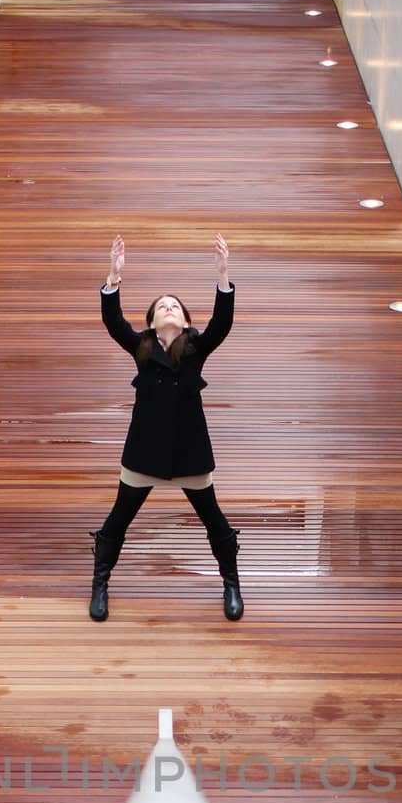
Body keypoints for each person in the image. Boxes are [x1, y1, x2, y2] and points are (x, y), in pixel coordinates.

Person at [89, 232, 243, 622]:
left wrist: (223, 276)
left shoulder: (196, 347)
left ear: (187, 320)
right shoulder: (141, 347)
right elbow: (113, 322)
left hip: (190, 451)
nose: (169, 308)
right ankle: (100, 584)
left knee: (215, 521)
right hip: (144, 450)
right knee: (118, 520)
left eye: (175, 306)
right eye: (162, 307)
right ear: (153, 321)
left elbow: (222, 325)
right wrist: (113, 277)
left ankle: (231, 582)